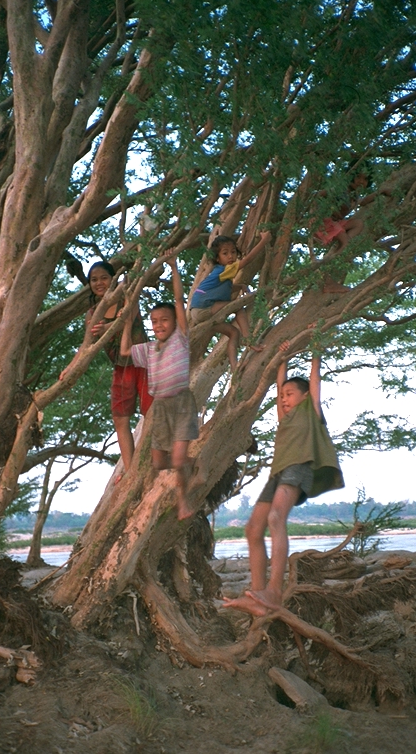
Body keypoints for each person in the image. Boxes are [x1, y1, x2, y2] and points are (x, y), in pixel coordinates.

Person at [224, 341, 344, 616]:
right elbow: (280, 380)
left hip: (298, 468)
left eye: (290, 394)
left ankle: (275, 591)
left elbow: (315, 376)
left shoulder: (311, 411)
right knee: (253, 529)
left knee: (276, 518)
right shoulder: (284, 417)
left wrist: (315, 343)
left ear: (304, 396)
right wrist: (282, 357)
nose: (284, 399)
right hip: (277, 474)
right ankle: (258, 595)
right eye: (282, 396)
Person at [120, 252, 199, 520]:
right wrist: (127, 318)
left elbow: (178, 300)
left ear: (175, 323)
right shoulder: (150, 349)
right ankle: (190, 464)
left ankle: (183, 501)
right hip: (160, 407)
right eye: (154, 322)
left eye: (164, 320)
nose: (159, 325)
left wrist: (174, 266)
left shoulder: (181, 339)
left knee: (175, 461)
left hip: (181, 403)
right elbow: (123, 350)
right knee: (158, 462)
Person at [60, 261, 153, 474]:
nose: (99, 283)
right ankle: (130, 471)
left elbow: (127, 316)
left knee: (152, 413)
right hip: (121, 368)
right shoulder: (93, 313)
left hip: (143, 362)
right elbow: (86, 345)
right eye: (94, 279)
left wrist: (107, 327)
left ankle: (150, 462)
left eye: (104, 278)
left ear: (113, 279)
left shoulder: (127, 296)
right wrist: (70, 368)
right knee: (120, 418)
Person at [189, 231, 272, 370]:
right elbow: (247, 260)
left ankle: (235, 367)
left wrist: (239, 286)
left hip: (200, 312)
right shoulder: (224, 269)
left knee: (234, 333)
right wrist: (264, 241)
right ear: (217, 258)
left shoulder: (222, 274)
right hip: (203, 308)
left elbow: (225, 289)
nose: (231, 256)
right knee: (238, 307)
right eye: (225, 253)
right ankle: (249, 340)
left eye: (233, 252)